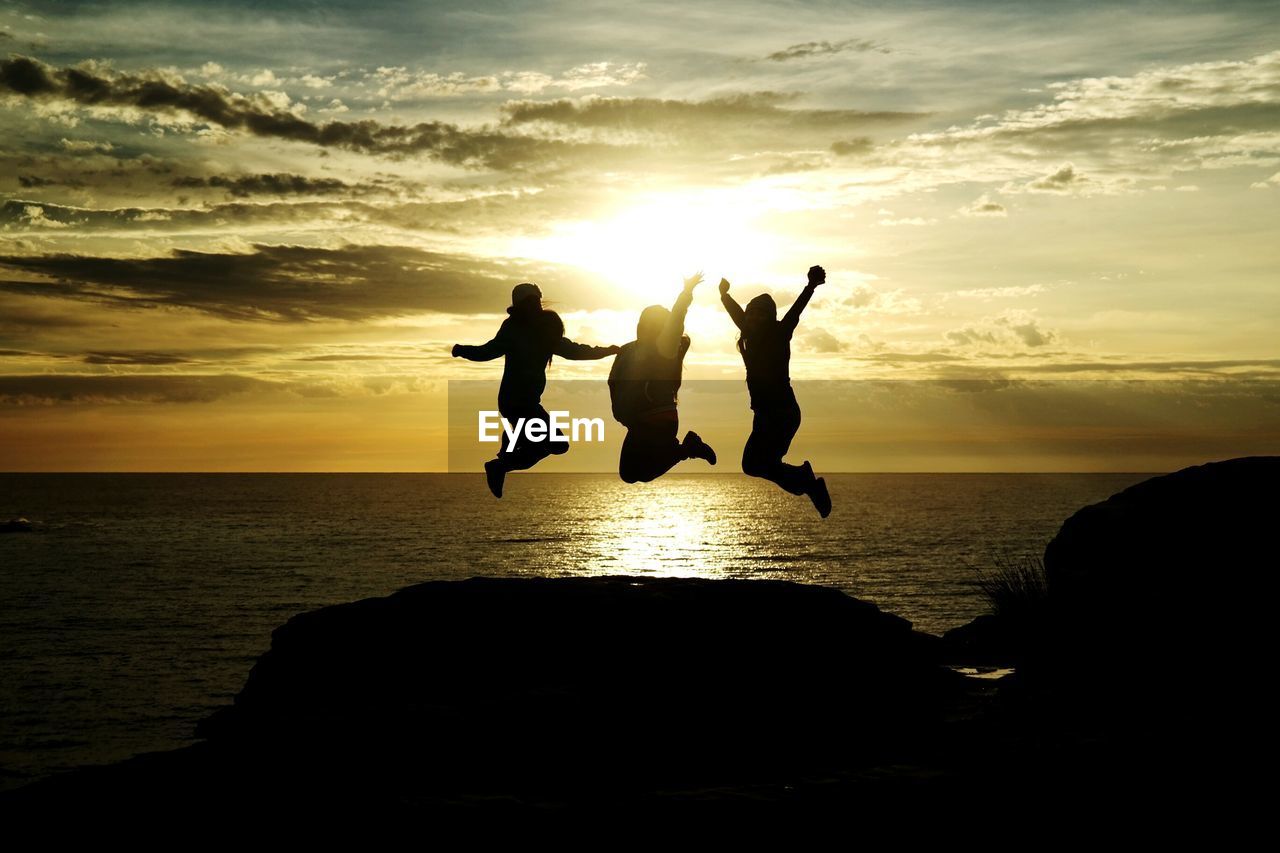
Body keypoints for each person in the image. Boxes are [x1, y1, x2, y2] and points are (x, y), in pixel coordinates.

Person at [453, 282, 619, 497]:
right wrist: (462, 350)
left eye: (537, 302)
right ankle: (501, 463)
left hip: (526, 404)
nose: (536, 306)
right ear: (522, 305)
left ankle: (506, 455)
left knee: (553, 445)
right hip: (516, 403)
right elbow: (488, 351)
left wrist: (605, 351)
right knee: (557, 444)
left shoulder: (544, 329)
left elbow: (572, 350)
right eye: (532, 302)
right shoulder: (513, 328)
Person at [719, 265, 832, 517]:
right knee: (754, 465)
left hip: (781, 414)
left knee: (755, 464)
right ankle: (806, 481)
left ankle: (807, 481)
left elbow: (795, 312)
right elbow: (737, 314)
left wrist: (811, 286)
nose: (753, 319)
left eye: (760, 315)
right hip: (765, 415)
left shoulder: (779, 334)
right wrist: (724, 295)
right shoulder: (748, 332)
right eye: (751, 315)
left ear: (769, 318)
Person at [609, 272, 717, 483]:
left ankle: (687, 449)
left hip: (657, 421)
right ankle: (686, 448)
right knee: (629, 474)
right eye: (642, 321)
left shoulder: (664, 348)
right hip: (639, 421)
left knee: (633, 474)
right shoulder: (632, 349)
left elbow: (676, 320)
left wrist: (686, 293)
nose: (642, 326)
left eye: (648, 322)